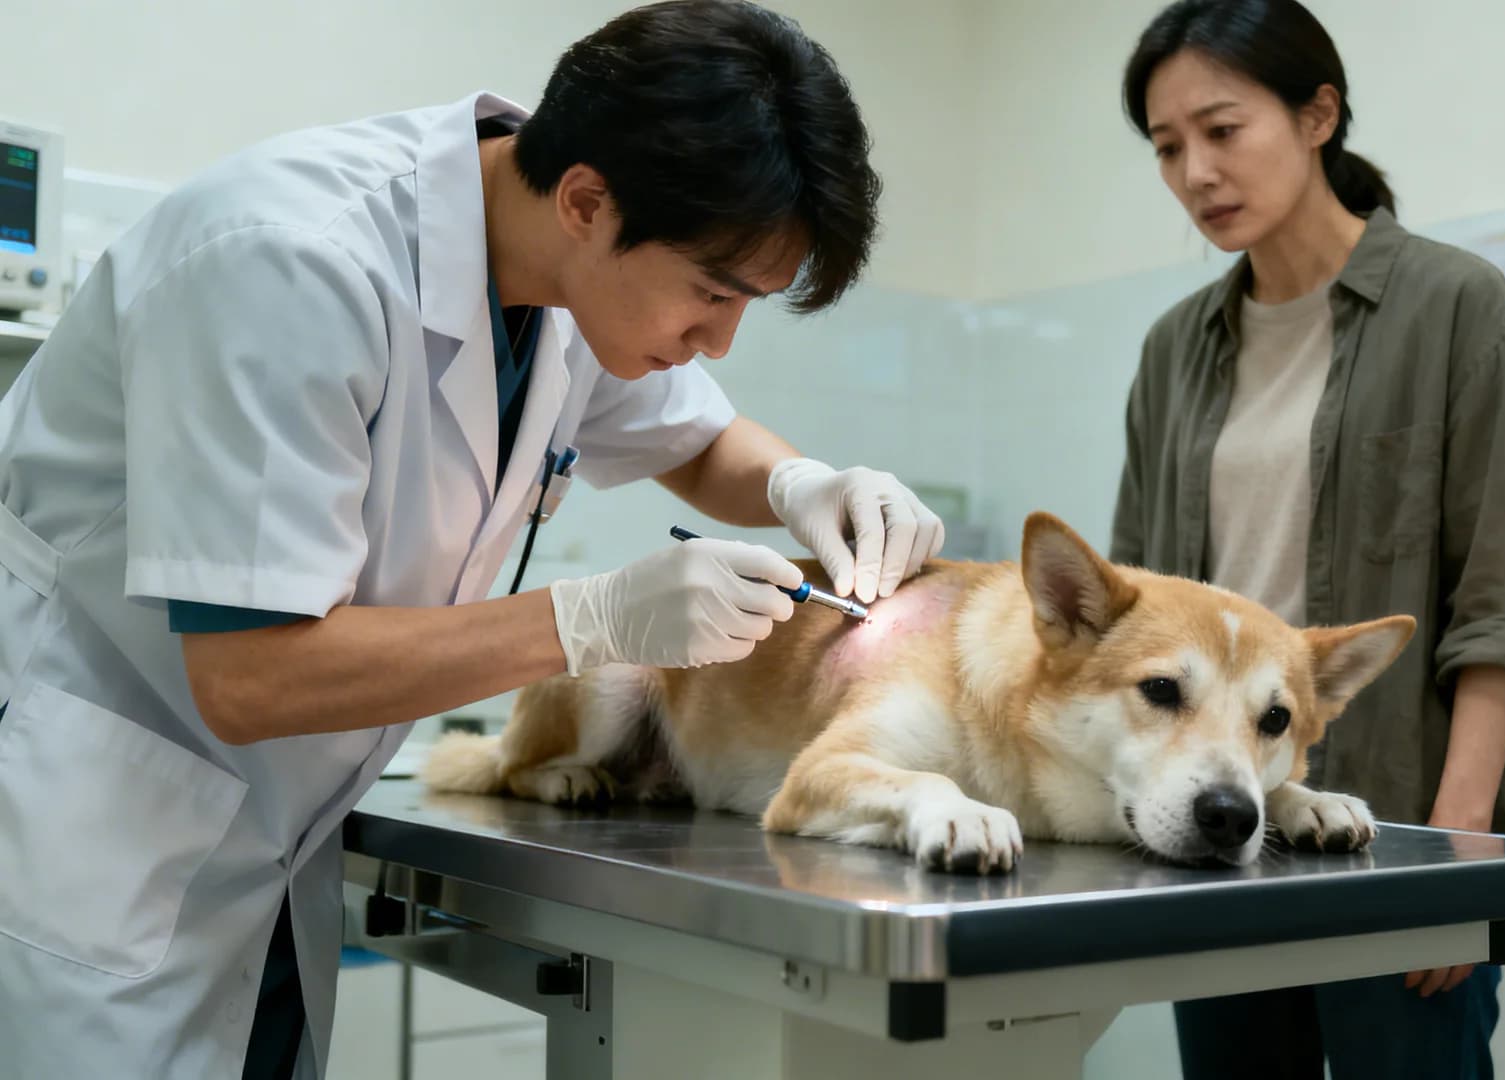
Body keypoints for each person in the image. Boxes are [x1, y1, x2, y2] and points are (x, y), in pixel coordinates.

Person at [0, 2, 946, 1076]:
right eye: (711, 293)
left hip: (261, 843)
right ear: (588, 200)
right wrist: (593, 619)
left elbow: (699, 435)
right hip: (98, 827)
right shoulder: (288, 263)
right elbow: (249, 678)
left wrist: (801, 482)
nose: (717, 339)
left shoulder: (560, 283)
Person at [1108, 1, 1505, 1076]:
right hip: (1221, 825)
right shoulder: (1176, 349)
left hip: (1399, 834)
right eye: (1168, 147)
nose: (1195, 173)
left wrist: (1455, 855)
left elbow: (1500, 611)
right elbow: (1131, 606)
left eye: (1223, 130)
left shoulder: (1459, 307)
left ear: (1319, 115)